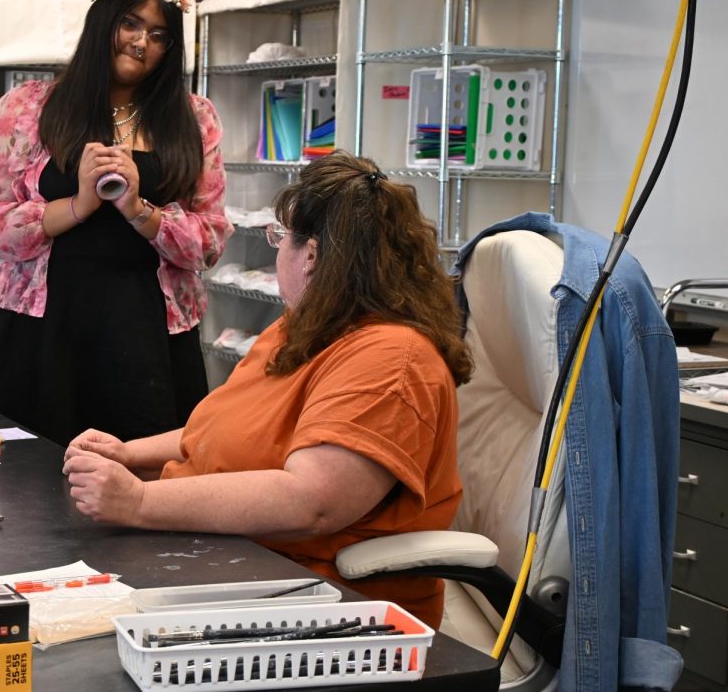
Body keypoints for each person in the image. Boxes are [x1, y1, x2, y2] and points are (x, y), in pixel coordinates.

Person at [62, 153, 473, 628]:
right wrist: (127, 454)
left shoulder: (391, 360)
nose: (278, 251)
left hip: (325, 609)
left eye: (280, 239)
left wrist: (138, 502)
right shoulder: (305, 327)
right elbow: (220, 430)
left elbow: (311, 500)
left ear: (313, 255)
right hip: (242, 565)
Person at [0, 0, 231, 446]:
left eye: (158, 35)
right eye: (130, 23)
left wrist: (140, 210)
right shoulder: (29, 108)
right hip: (42, 334)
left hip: (149, 340)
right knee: (27, 484)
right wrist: (78, 204)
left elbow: (209, 242)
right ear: (103, 24)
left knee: (144, 483)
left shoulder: (194, 119)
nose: (141, 42)